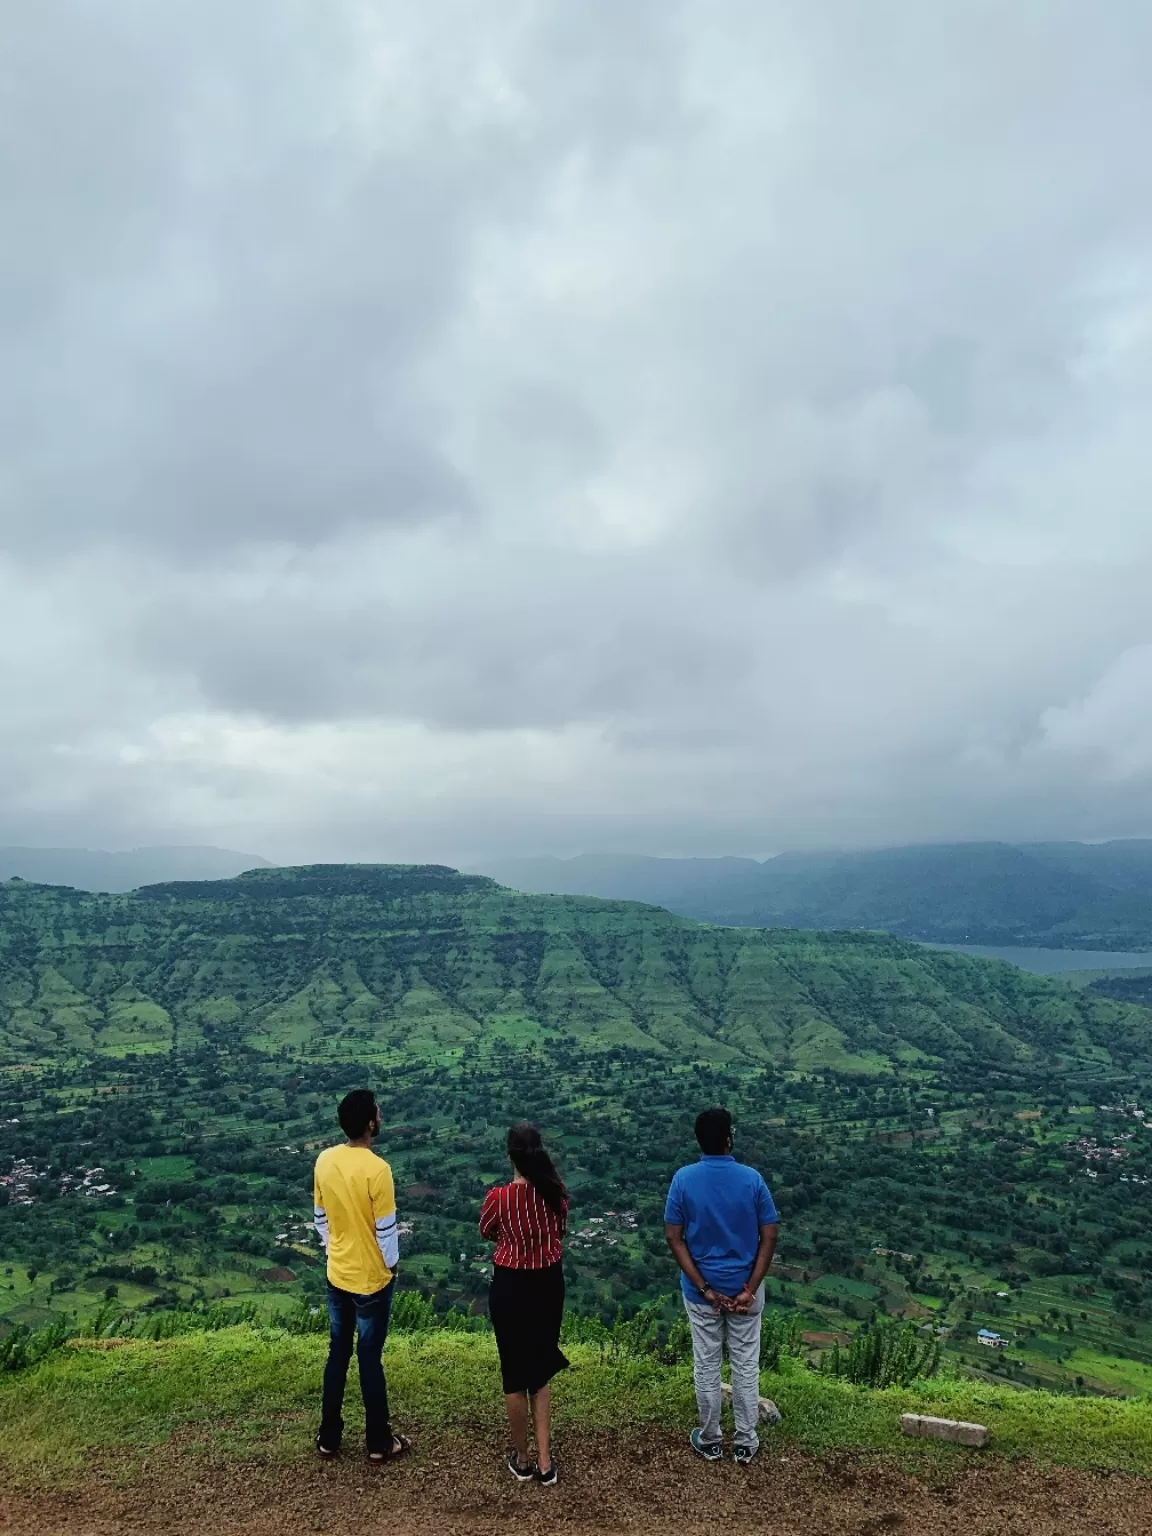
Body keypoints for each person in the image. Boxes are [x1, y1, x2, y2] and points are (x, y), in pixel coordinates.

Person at [664, 1106, 779, 1465]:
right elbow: (769, 1236)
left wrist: (704, 1287)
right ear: (729, 1139)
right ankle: (746, 1441)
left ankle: (711, 1439)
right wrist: (749, 1287)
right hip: (746, 1291)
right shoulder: (752, 1179)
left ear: (700, 1141)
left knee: (707, 1362)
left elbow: (674, 1237)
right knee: (745, 1364)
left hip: (702, 1295)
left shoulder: (683, 1179)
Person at [313, 1088, 411, 1464]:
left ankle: (329, 1437)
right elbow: (386, 1233)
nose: (381, 1115)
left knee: (337, 1354)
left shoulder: (324, 1160)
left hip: (337, 1273)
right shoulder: (378, 1170)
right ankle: (377, 1441)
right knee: (369, 1358)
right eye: (378, 1112)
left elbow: (320, 1219)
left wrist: (334, 1248)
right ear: (371, 1123)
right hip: (371, 1280)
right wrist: (391, 1266)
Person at [479, 1122, 569, 1487]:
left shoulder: (499, 1199)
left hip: (512, 1287)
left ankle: (522, 1458)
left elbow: (486, 1230)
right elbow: (559, 1230)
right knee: (541, 1371)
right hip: (548, 1284)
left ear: (509, 1155)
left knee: (514, 1377)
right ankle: (546, 1461)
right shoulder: (555, 1194)